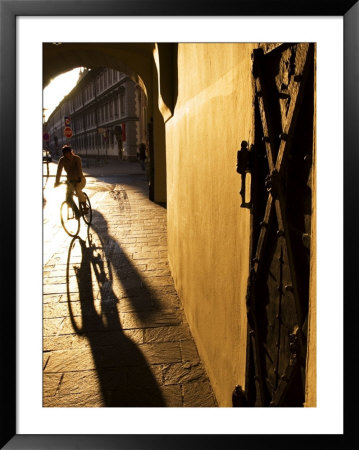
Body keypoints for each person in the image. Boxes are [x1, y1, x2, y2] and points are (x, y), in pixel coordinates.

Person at [54, 145, 87, 217]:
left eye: (68, 153)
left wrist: (79, 178)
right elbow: (58, 172)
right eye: (65, 153)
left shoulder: (77, 158)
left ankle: (85, 207)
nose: (66, 155)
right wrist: (57, 182)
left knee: (78, 190)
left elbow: (79, 170)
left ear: (70, 152)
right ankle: (76, 211)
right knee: (68, 196)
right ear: (63, 154)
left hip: (80, 179)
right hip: (70, 180)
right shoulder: (62, 160)